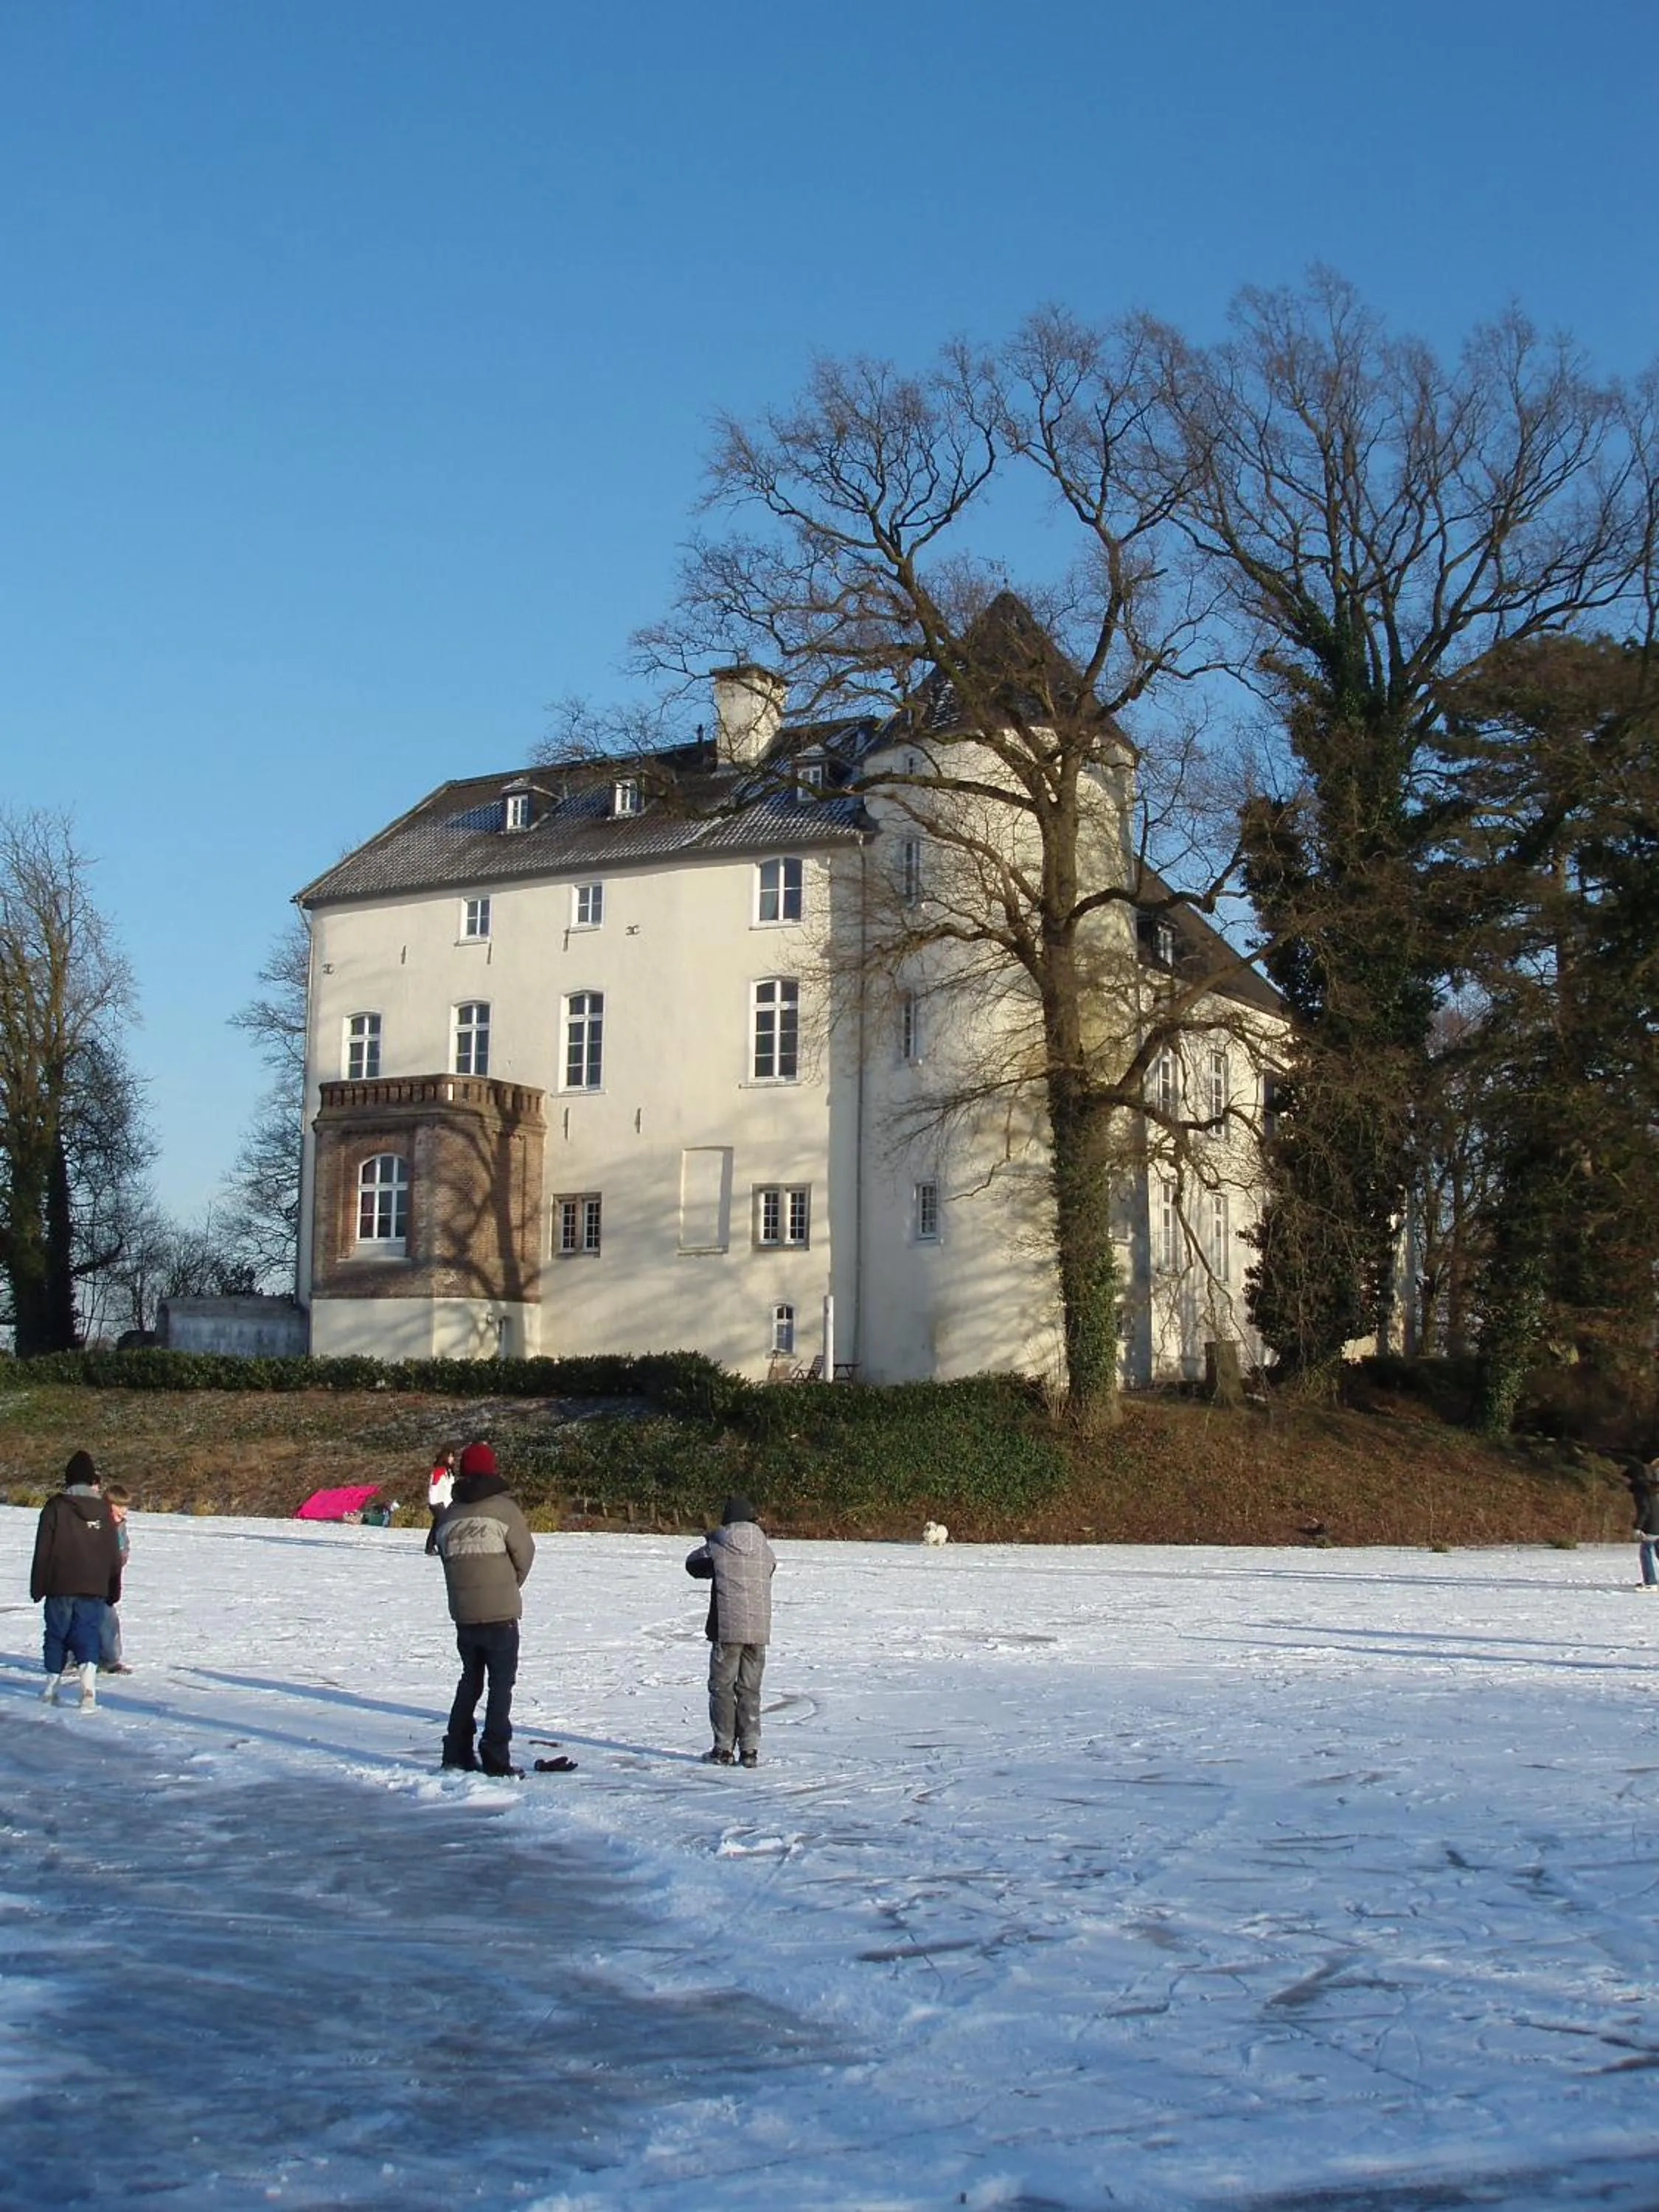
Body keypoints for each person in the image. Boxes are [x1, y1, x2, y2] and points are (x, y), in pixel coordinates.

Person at [434, 1441, 535, 1776]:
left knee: (470, 1681)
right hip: (501, 1613)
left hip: (464, 1614)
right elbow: (525, 1554)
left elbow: (446, 1559)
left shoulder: (450, 1515)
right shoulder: (503, 1510)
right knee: (500, 1685)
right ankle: (495, 1754)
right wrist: (509, 1586)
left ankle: (456, 1751)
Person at [686, 1495, 776, 1768]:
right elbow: (770, 1570)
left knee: (722, 1688)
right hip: (758, 1630)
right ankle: (750, 1750)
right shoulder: (765, 1548)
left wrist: (711, 1539)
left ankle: (723, 1749)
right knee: (750, 1690)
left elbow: (693, 1565)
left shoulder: (719, 1542)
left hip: (726, 1629)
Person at [30, 1450, 122, 1709]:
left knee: (56, 1635)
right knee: (88, 1634)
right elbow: (112, 1554)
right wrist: (113, 1588)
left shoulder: (56, 1507)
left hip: (60, 1584)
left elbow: (43, 1550)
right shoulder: (104, 1511)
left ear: (68, 1480)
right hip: (94, 1586)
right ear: (92, 1480)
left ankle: (51, 1688)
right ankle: (88, 1690)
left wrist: (38, 1586)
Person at [98, 1482, 136, 1673]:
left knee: (108, 1620)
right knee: (82, 1619)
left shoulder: (120, 1525)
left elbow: (124, 1547)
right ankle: (73, 1657)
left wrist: (121, 1559)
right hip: (91, 1578)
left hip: (110, 1579)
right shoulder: (98, 1523)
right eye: (119, 1506)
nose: (124, 1511)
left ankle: (110, 1659)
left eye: (126, 1506)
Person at [1629, 1458, 1659, 1588]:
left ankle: (1651, 1581)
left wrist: (1638, 1527)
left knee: (1646, 1551)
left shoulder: (1641, 1489)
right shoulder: (1652, 1487)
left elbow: (1645, 1509)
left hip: (1652, 1526)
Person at [425, 1444, 458, 1555]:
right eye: (450, 1456)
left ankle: (430, 1547)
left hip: (445, 1502)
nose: (452, 1459)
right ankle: (438, 1546)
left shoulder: (449, 1472)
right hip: (437, 1502)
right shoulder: (439, 1471)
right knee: (442, 1525)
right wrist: (433, 1502)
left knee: (437, 1524)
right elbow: (434, 1486)